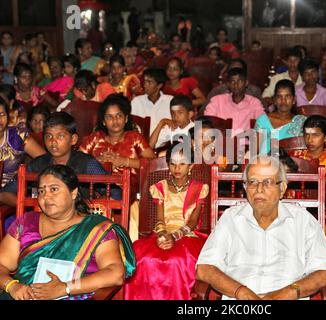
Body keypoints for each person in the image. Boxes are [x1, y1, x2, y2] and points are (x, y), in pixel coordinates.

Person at [196, 155, 326, 300]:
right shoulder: (230, 219)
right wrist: (242, 292)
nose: (259, 189)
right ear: (245, 188)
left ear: (282, 188)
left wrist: (286, 293)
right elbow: (205, 268)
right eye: (252, 182)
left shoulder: (303, 220)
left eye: (268, 182)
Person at [0, 165, 135, 300]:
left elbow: (115, 273)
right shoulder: (26, 223)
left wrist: (65, 288)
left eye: (54, 189)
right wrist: (12, 285)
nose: (46, 196)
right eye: (41, 191)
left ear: (73, 193)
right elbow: (2, 264)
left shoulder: (96, 228)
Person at [124, 143, 209, 300]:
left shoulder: (199, 188)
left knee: (177, 261)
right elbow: (160, 219)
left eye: (182, 164)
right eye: (173, 163)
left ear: (190, 166)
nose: (177, 168)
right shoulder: (160, 187)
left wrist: (174, 237)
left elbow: (192, 223)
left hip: (187, 235)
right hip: (163, 232)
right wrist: (163, 234)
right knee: (144, 259)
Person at [0, 112, 120, 208]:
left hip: (78, 224)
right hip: (43, 222)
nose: (53, 141)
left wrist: (92, 206)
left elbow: (117, 194)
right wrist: (32, 204)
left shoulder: (87, 164)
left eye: (60, 136)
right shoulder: (37, 165)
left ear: (73, 139)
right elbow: (4, 194)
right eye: (49, 136)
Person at [79, 94, 156, 193]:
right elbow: (78, 161)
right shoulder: (95, 138)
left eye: (119, 116)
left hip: (129, 192)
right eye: (109, 117)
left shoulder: (135, 138)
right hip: (96, 193)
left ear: (126, 118)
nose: (115, 120)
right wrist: (97, 162)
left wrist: (125, 161)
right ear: (103, 121)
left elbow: (154, 164)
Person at [0, 97, 45, 187]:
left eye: (2, 114)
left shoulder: (18, 135)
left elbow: (45, 160)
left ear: (8, 116)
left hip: (13, 193)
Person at [255, 79, 307, 155]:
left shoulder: (301, 121)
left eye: (287, 96)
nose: (283, 101)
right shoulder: (263, 121)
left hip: (293, 164)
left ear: (294, 99)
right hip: (265, 164)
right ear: (275, 100)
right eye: (279, 97)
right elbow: (255, 152)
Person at [131, 68, 173, 137]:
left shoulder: (170, 101)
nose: (145, 85)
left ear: (159, 85)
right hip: (142, 143)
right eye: (145, 81)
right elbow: (132, 127)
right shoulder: (137, 102)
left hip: (166, 144)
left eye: (149, 82)